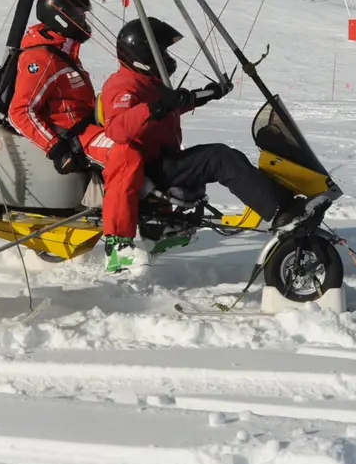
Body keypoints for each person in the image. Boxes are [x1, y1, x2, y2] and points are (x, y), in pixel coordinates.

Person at [95, 18, 299, 274]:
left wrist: (210, 93)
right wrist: (157, 106)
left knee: (228, 156)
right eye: (162, 51)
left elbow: (176, 104)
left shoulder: (147, 82)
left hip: (163, 158)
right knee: (219, 158)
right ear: (144, 53)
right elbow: (117, 128)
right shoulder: (124, 85)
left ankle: (284, 200)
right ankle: (280, 211)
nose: (166, 58)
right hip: (150, 168)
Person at [8, 0, 103, 175]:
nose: (83, 21)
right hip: (73, 135)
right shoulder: (42, 58)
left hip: (86, 127)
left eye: (84, 15)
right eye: (78, 15)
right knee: (125, 156)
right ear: (61, 17)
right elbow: (20, 111)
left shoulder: (62, 49)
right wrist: (56, 149)